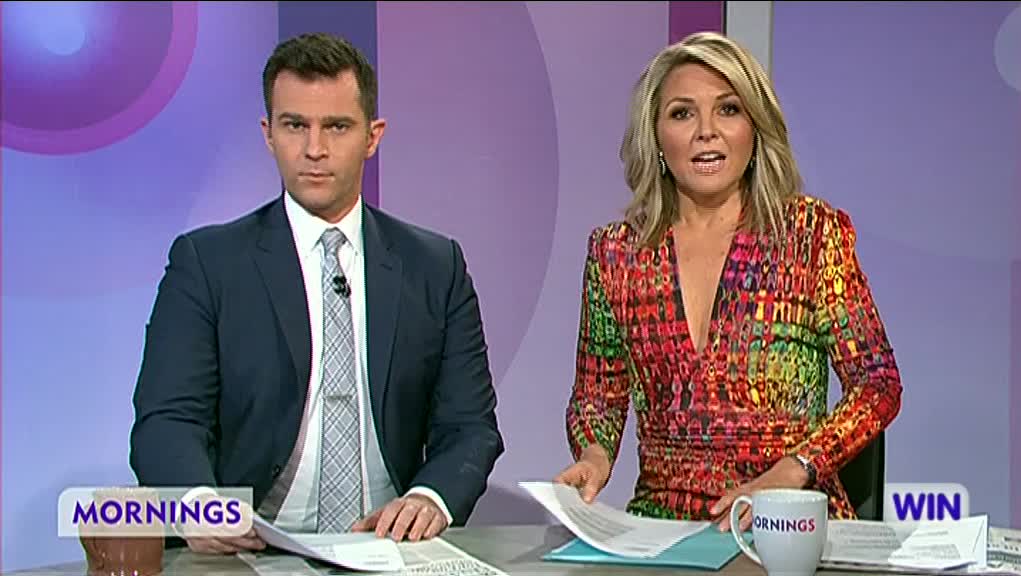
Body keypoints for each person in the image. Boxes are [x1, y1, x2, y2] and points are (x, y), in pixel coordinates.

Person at [130, 32, 504, 554]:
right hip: (248, 548)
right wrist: (199, 505)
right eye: (294, 126)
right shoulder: (207, 263)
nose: (314, 149)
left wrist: (430, 499)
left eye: (336, 126)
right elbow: (167, 418)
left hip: (389, 550)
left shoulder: (435, 267)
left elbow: (469, 426)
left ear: (372, 136)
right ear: (268, 134)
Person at [554, 31, 902, 531]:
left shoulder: (809, 235)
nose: (706, 132)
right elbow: (597, 396)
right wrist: (594, 455)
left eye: (728, 109)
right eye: (682, 113)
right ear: (655, 138)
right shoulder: (616, 253)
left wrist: (794, 470)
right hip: (664, 528)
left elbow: (877, 384)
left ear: (755, 128)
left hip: (786, 521)